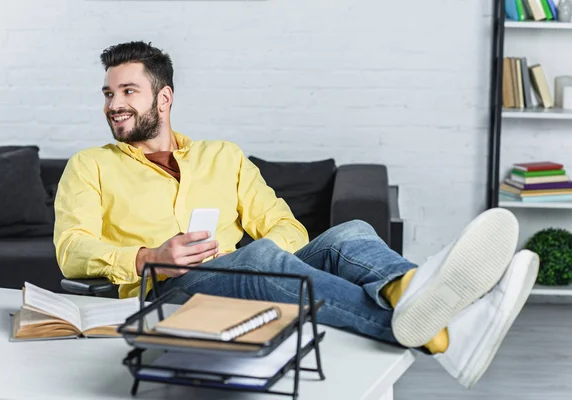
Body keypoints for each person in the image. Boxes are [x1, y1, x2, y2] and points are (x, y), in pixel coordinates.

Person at [54, 41, 539, 389]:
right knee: (261, 254)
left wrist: (247, 259)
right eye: (107, 94)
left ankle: (408, 290)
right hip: (163, 289)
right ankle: (450, 329)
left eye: (127, 92)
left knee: (350, 231)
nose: (114, 105)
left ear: (164, 98)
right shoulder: (90, 165)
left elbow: (286, 226)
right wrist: (149, 254)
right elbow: (71, 250)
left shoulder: (223, 156)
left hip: (229, 273)